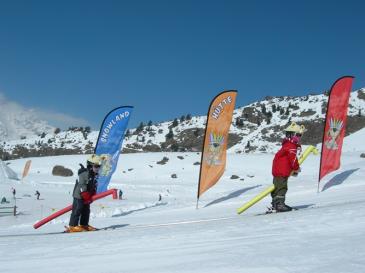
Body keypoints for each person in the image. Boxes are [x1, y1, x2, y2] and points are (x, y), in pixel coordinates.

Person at [271, 122, 305, 212]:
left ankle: (276, 204)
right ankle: (279, 205)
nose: (299, 138)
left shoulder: (286, 145)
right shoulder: (291, 146)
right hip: (282, 171)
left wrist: (292, 170)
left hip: (278, 170)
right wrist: (296, 168)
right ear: (294, 135)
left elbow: (287, 160)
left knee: (277, 187)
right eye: (299, 135)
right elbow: (293, 159)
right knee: (282, 187)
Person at [68, 154, 101, 232]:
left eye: (99, 166)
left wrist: (93, 193)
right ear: (90, 166)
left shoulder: (94, 175)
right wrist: (85, 193)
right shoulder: (84, 173)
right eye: (96, 166)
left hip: (87, 196)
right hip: (79, 195)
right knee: (77, 209)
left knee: (86, 210)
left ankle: (84, 224)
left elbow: (93, 184)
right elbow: (81, 184)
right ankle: (73, 226)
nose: (98, 168)